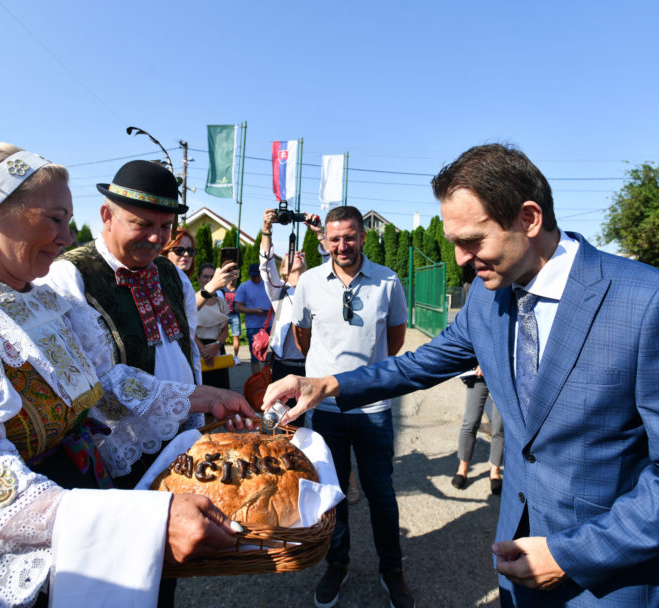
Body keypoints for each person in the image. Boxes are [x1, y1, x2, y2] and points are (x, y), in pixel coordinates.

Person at [264, 143, 659, 607]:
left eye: (471, 240)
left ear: (529, 219)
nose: (458, 259)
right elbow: (418, 364)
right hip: (515, 562)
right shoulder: (488, 297)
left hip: (608, 578)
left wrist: (572, 555)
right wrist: (326, 384)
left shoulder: (644, 302)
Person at [0, 142, 257, 608]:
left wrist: (197, 397)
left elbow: (102, 382)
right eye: (54, 219)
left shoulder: (44, 301)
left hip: (81, 511)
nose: (67, 238)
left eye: (67, 221)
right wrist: (138, 522)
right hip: (13, 546)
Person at [42, 160, 211, 486]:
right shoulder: (70, 276)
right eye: (142, 224)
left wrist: (196, 420)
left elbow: (188, 351)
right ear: (107, 216)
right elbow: (85, 381)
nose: (156, 238)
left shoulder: (173, 275)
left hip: (181, 439)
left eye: (166, 227)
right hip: (117, 453)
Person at [288, 205, 412, 608]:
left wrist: (367, 377)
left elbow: (395, 341)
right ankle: (337, 564)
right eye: (335, 238)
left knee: (381, 494)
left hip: (373, 409)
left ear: (362, 236)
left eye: (349, 237)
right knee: (333, 493)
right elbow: (303, 337)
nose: (342, 245)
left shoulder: (387, 280)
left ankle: (391, 569)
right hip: (325, 411)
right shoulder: (309, 281)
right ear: (325, 240)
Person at [259, 208, 325, 426]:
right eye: (292, 253)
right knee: (280, 421)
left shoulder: (318, 289)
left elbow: (330, 264)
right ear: (283, 269)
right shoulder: (279, 290)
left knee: (308, 421)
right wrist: (266, 229)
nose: (299, 253)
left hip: (310, 367)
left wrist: (320, 233)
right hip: (282, 367)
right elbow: (266, 266)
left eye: (303, 254)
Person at [453, 365, 504, 494]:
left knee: (500, 427)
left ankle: (495, 471)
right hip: (478, 373)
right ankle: (462, 469)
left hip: (503, 374)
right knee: (470, 422)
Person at [195, 262, 231, 390]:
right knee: (202, 389)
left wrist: (216, 346)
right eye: (205, 276)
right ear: (199, 278)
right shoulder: (193, 301)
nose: (209, 280)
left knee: (220, 388)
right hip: (198, 350)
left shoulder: (221, 303)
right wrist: (203, 350)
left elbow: (225, 330)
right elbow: (189, 329)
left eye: (212, 277)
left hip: (217, 349)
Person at [234, 262, 272, 374]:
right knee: (255, 357)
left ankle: (269, 379)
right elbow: (237, 307)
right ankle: (257, 380)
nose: (254, 278)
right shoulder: (244, 287)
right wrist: (254, 311)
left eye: (256, 275)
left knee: (270, 357)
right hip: (253, 327)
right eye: (252, 276)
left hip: (270, 325)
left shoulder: (269, 285)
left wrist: (271, 311)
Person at [222, 278, 241, 362]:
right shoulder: (222, 289)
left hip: (235, 315)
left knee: (236, 336)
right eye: (230, 277)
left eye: (233, 278)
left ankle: (236, 357)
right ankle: (222, 355)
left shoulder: (238, 289)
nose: (231, 280)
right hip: (224, 315)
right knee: (222, 336)